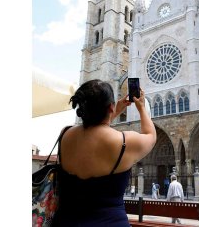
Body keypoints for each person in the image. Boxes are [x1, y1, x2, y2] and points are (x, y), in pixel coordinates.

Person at [53, 79, 156, 226]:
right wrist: (141, 108)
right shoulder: (123, 142)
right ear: (110, 107)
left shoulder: (65, 134)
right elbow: (151, 136)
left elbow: (92, 127)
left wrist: (113, 110)